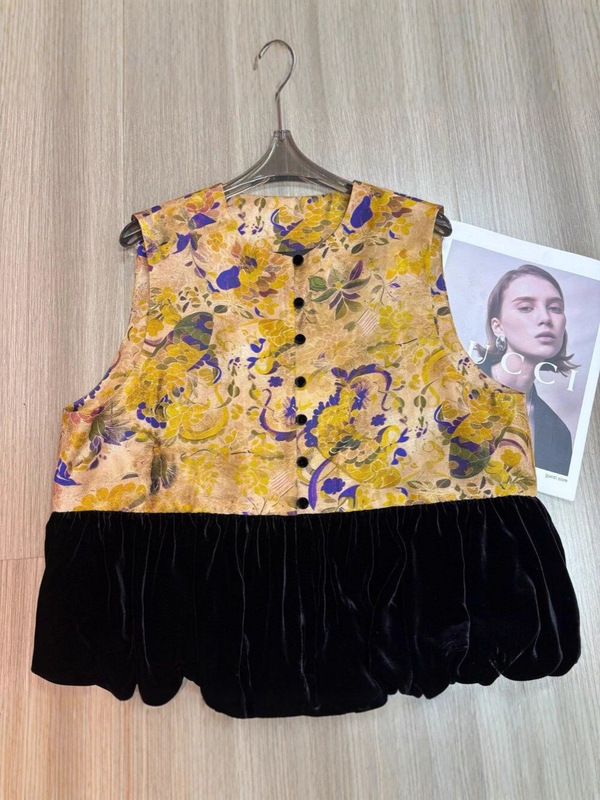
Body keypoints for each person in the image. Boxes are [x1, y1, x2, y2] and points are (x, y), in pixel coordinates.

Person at [472, 264, 579, 476]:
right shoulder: (453, 386)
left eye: (555, 308)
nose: (546, 318)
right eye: (526, 307)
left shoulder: (559, 435)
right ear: (498, 327)